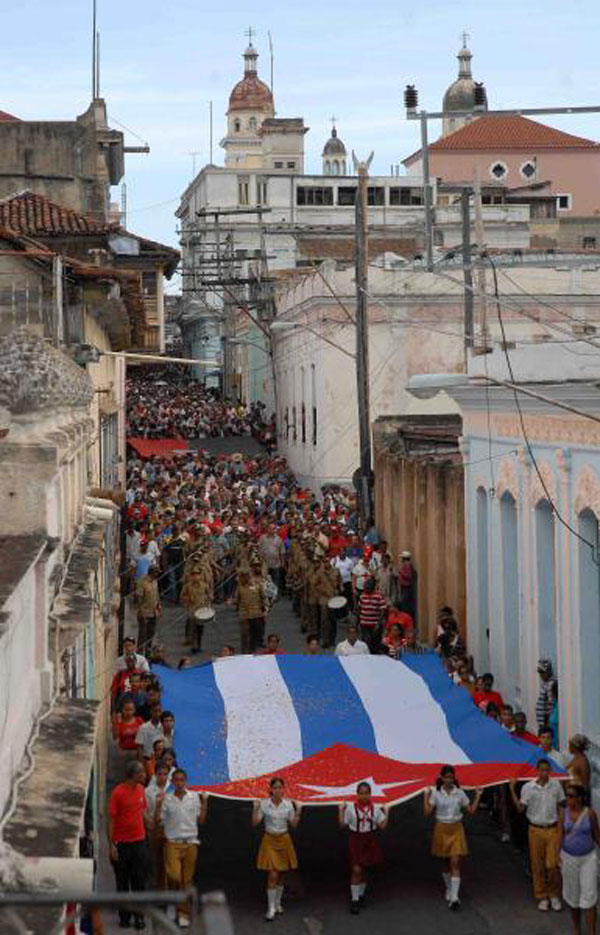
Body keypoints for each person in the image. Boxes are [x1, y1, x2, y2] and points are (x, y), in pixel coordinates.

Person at [154, 768, 208, 929]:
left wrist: (205, 803)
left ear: (186, 781)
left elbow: (202, 820)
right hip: (172, 842)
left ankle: (183, 913)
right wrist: (157, 804)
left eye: (181, 780)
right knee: (174, 876)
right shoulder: (167, 799)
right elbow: (158, 821)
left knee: (187, 880)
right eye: (176, 780)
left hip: (191, 842)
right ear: (172, 782)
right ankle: (172, 902)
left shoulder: (194, 798)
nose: (179, 783)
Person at [510, 758, 566, 911]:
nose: (544, 773)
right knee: (537, 865)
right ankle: (541, 896)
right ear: (537, 771)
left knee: (552, 865)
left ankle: (554, 894)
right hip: (535, 829)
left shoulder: (556, 785)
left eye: (547, 770)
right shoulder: (528, 788)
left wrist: (561, 826)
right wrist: (512, 790)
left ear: (549, 771)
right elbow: (520, 809)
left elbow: (561, 805)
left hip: (552, 829)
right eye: (541, 770)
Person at [424, 765, 482, 910]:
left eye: (451, 777)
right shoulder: (436, 793)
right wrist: (425, 796)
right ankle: (449, 888)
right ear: (441, 778)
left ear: (454, 778)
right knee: (445, 863)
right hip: (441, 828)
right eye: (446, 777)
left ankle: (455, 897)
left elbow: (471, 810)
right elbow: (427, 812)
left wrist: (478, 796)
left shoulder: (460, 793)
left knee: (455, 862)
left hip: (456, 828)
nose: (449, 780)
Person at [252, 777, 302, 921]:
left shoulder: (288, 805)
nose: (278, 790)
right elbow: (255, 823)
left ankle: (278, 903)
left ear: (283, 789)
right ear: (271, 790)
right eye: (275, 787)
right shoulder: (264, 804)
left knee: (281, 875)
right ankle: (271, 908)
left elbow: (294, 824)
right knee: (273, 874)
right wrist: (255, 808)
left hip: (284, 839)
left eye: (281, 787)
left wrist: (298, 810)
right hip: (269, 840)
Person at [107, 760, 149, 930]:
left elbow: (142, 812)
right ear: (135, 774)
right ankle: (124, 917)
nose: (145, 775)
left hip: (139, 842)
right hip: (122, 845)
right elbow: (111, 821)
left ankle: (139, 917)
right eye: (142, 773)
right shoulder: (118, 793)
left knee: (139, 882)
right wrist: (112, 845)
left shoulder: (141, 790)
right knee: (122, 882)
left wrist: (151, 824)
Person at [338, 781, 388, 914]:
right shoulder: (351, 809)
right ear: (357, 794)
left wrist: (387, 812)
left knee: (365, 869)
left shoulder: (375, 809)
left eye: (366, 793)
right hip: (356, 840)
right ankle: (354, 900)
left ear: (370, 794)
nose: (364, 796)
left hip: (369, 840)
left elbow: (382, 826)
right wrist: (340, 811)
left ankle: (361, 896)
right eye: (361, 793)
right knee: (356, 869)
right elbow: (343, 824)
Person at [559, 783, 600, 935]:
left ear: (580, 797)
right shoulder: (564, 813)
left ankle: (592, 932)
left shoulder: (590, 814)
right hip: (569, 858)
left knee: (589, 898)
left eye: (571, 796)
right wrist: (557, 855)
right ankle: (576, 930)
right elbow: (560, 835)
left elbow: (596, 835)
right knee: (573, 897)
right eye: (567, 795)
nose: (568, 799)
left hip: (588, 859)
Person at [357, 578, 387, 653]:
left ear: (372, 586)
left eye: (368, 586)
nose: (366, 588)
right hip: (364, 624)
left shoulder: (379, 596)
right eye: (365, 586)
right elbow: (359, 609)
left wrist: (378, 623)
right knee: (366, 643)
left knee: (375, 644)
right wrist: (358, 622)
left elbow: (383, 611)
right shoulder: (362, 596)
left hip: (375, 624)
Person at [536, 659, 558, 732]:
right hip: (544, 721)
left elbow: (551, 703)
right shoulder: (546, 683)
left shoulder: (550, 684)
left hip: (546, 720)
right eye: (540, 672)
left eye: (542, 672)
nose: (541, 675)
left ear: (548, 671)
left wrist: (548, 721)